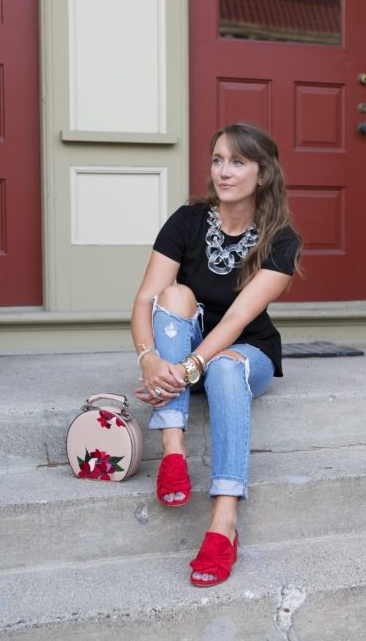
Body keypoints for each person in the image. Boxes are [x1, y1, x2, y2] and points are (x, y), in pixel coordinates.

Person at [129, 123, 302, 587]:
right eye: (218, 160)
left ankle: (223, 520)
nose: (224, 172)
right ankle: (173, 453)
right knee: (174, 294)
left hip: (245, 352)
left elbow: (235, 322)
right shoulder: (187, 221)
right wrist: (148, 357)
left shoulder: (281, 240)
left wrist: (186, 368)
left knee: (225, 366)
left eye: (238, 162)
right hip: (181, 350)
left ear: (263, 174)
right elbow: (145, 298)